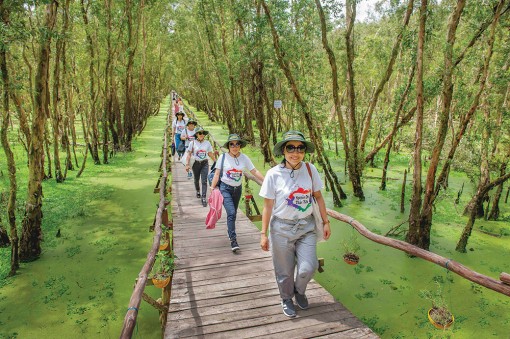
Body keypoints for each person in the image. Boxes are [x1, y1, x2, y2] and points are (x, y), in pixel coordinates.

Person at [259, 130, 331, 318]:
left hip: (306, 227)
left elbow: (318, 197)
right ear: (283, 150)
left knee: (309, 267)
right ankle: (286, 298)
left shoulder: (310, 170)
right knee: (284, 270)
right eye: (290, 147)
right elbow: (267, 207)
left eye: (300, 148)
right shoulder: (273, 174)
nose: (295, 152)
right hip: (280, 228)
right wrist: (263, 234)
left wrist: (326, 222)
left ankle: (299, 291)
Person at [210, 134, 264, 253]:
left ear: (240, 145)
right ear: (228, 146)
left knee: (232, 215)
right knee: (232, 212)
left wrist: (265, 181)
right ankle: (233, 240)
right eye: (232, 144)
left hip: (237, 189)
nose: (234, 146)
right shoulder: (223, 157)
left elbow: (254, 171)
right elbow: (217, 174)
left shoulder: (244, 158)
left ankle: (230, 231)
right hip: (225, 188)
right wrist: (212, 188)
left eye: (237, 144)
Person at [185, 127, 216, 207]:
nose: (201, 135)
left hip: (205, 163)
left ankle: (204, 197)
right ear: (196, 134)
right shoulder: (192, 143)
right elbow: (189, 154)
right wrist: (187, 164)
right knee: (196, 179)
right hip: (195, 163)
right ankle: (198, 190)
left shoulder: (207, 143)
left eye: (203, 133)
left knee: (204, 181)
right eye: (200, 133)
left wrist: (216, 161)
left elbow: (210, 153)